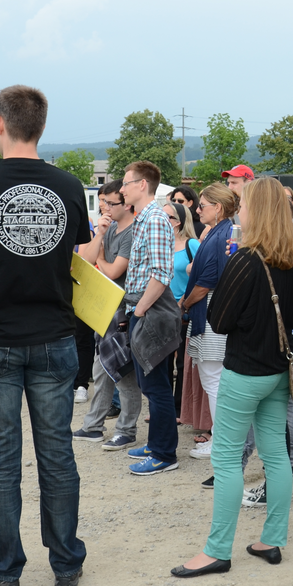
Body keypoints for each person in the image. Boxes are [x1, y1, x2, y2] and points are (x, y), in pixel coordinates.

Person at [0, 85, 91, 586]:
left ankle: (4, 571)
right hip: (54, 335)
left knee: (2, 461)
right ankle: (66, 564)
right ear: (42, 127)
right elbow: (79, 255)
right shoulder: (69, 185)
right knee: (58, 455)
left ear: (0, 125)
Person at [173, 178, 293, 577]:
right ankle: (273, 539)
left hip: (245, 370)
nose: (238, 210)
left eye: (243, 203)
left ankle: (217, 550)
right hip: (277, 369)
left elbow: (220, 320)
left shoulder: (245, 260)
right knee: (275, 455)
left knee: (227, 459)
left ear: (257, 211)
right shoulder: (292, 259)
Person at [72, 180, 143, 449]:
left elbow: (112, 272)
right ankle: (93, 426)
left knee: (124, 374)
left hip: (123, 311)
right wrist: (100, 235)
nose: (106, 207)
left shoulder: (133, 232)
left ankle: (127, 429)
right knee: (101, 368)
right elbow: (86, 261)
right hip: (106, 309)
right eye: (104, 202)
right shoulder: (110, 227)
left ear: (126, 204)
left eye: (111, 203)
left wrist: (101, 256)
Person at [120, 160, 180, 476]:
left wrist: (140, 309)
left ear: (142, 185)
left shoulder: (155, 220)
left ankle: (164, 453)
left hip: (150, 312)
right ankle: (157, 443)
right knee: (150, 384)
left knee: (156, 386)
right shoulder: (146, 218)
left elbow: (161, 273)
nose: (121, 189)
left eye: (126, 183)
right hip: (143, 309)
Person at [181, 183, 236, 464]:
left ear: (219, 208)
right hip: (214, 313)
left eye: (202, 206)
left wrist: (185, 303)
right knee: (215, 380)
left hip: (211, 314)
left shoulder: (218, 236)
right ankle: (221, 439)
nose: (198, 210)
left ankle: (219, 441)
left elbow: (206, 283)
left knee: (213, 381)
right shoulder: (221, 232)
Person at [165, 202, 200, 420]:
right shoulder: (162, 243)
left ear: (177, 222)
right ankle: (165, 407)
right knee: (164, 361)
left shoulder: (191, 244)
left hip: (183, 310)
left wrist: (184, 301)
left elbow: (201, 275)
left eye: (166, 217)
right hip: (162, 310)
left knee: (181, 362)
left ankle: (179, 409)